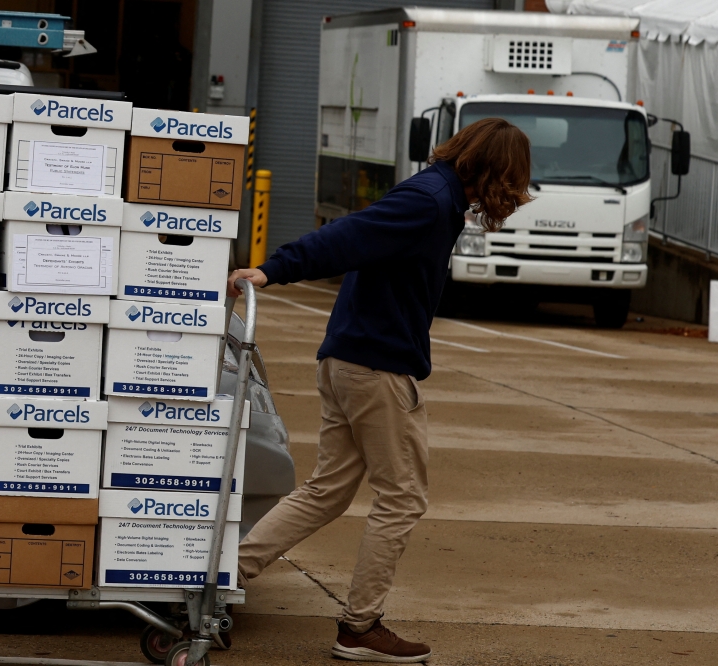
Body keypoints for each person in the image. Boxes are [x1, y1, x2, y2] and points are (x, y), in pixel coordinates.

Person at [227, 118, 534, 663]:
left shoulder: (436, 193)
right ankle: (360, 625)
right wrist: (276, 270)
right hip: (376, 368)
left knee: (327, 489)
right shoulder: (428, 199)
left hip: (350, 359)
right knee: (402, 496)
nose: (513, 194)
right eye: (514, 180)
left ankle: (225, 574)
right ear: (497, 170)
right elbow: (351, 235)